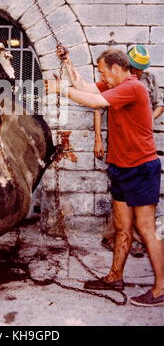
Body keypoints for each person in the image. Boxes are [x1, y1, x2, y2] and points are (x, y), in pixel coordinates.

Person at [53, 46, 163, 307]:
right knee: (122, 227)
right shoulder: (114, 83)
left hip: (141, 167)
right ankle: (115, 277)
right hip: (120, 166)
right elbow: (86, 87)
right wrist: (68, 63)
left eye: (103, 71)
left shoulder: (134, 87)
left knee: (145, 228)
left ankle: (160, 289)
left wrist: (60, 90)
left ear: (116, 69)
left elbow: (95, 101)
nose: (102, 77)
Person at [95, 45, 164, 258]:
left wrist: (145, 118)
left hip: (138, 155)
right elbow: (97, 105)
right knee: (123, 212)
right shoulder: (118, 82)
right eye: (135, 68)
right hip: (121, 153)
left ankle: (159, 283)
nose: (138, 73)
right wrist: (98, 138)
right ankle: (117, 246)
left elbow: (158, 104)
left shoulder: (144, 82)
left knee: (142, 218)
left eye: (141, 70)